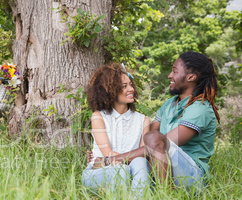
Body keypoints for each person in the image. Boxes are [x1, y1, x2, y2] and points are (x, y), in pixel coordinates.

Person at [90, 52, 220, 192]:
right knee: (146, 147)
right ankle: (146, 195)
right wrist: (98, 152)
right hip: (164, 168)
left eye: (175, 71)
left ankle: (166, 197)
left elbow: (155, 144)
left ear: (191, 77)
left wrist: (110, 160)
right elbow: (145, 136)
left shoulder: (200, 108)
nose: (170, 75)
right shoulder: (169, 104)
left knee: (153, 140)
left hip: (191, 176)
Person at [82, 63, 150, 199]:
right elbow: (109, 154)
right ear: (110, 90)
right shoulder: (99, 116)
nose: (131, 89)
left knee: (141, 162)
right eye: (124, 86)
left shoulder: (143, 120)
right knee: (121, 169)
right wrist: (112, 160)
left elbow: (143, 154)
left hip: (131, 171)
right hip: (99, 172)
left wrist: (111, 160)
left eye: (130, 84)